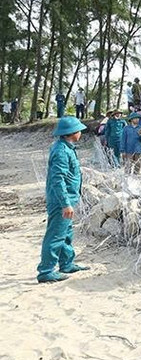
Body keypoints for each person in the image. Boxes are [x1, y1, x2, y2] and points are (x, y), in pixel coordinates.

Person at [37, 116, 90, 283]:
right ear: (72, 133)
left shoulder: (67, 147)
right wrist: (65, 203)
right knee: (55, 235)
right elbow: (57, 179)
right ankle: (46, 271)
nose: (81, 133)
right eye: (79, 130)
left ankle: (66, 263)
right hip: (61, 201)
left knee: (66, 233)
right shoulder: (61, 151)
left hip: (68, 197)